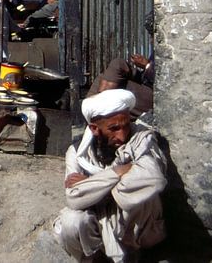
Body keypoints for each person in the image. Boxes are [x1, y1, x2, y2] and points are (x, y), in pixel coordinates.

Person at [53, 89, 167, 262]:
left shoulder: (141, 139)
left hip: (132, 226)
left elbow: (154, 178)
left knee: (145, 196)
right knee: (70, 220)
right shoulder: (76, 153)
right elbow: (74, 198)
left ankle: (134, 252)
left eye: (126, 125)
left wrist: (91, 184)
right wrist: (117, 173)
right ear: (94, 128)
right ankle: (95, 256)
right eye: (114, 129)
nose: (121, 136)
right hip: (98, 220)